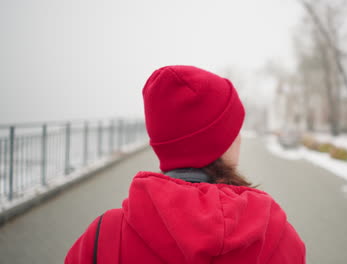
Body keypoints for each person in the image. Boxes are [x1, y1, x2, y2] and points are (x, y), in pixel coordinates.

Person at [65, 65, 306, 263]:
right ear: (219, 142)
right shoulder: (276, 236)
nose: (239, 137)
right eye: (234, 129)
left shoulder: (103, 237)